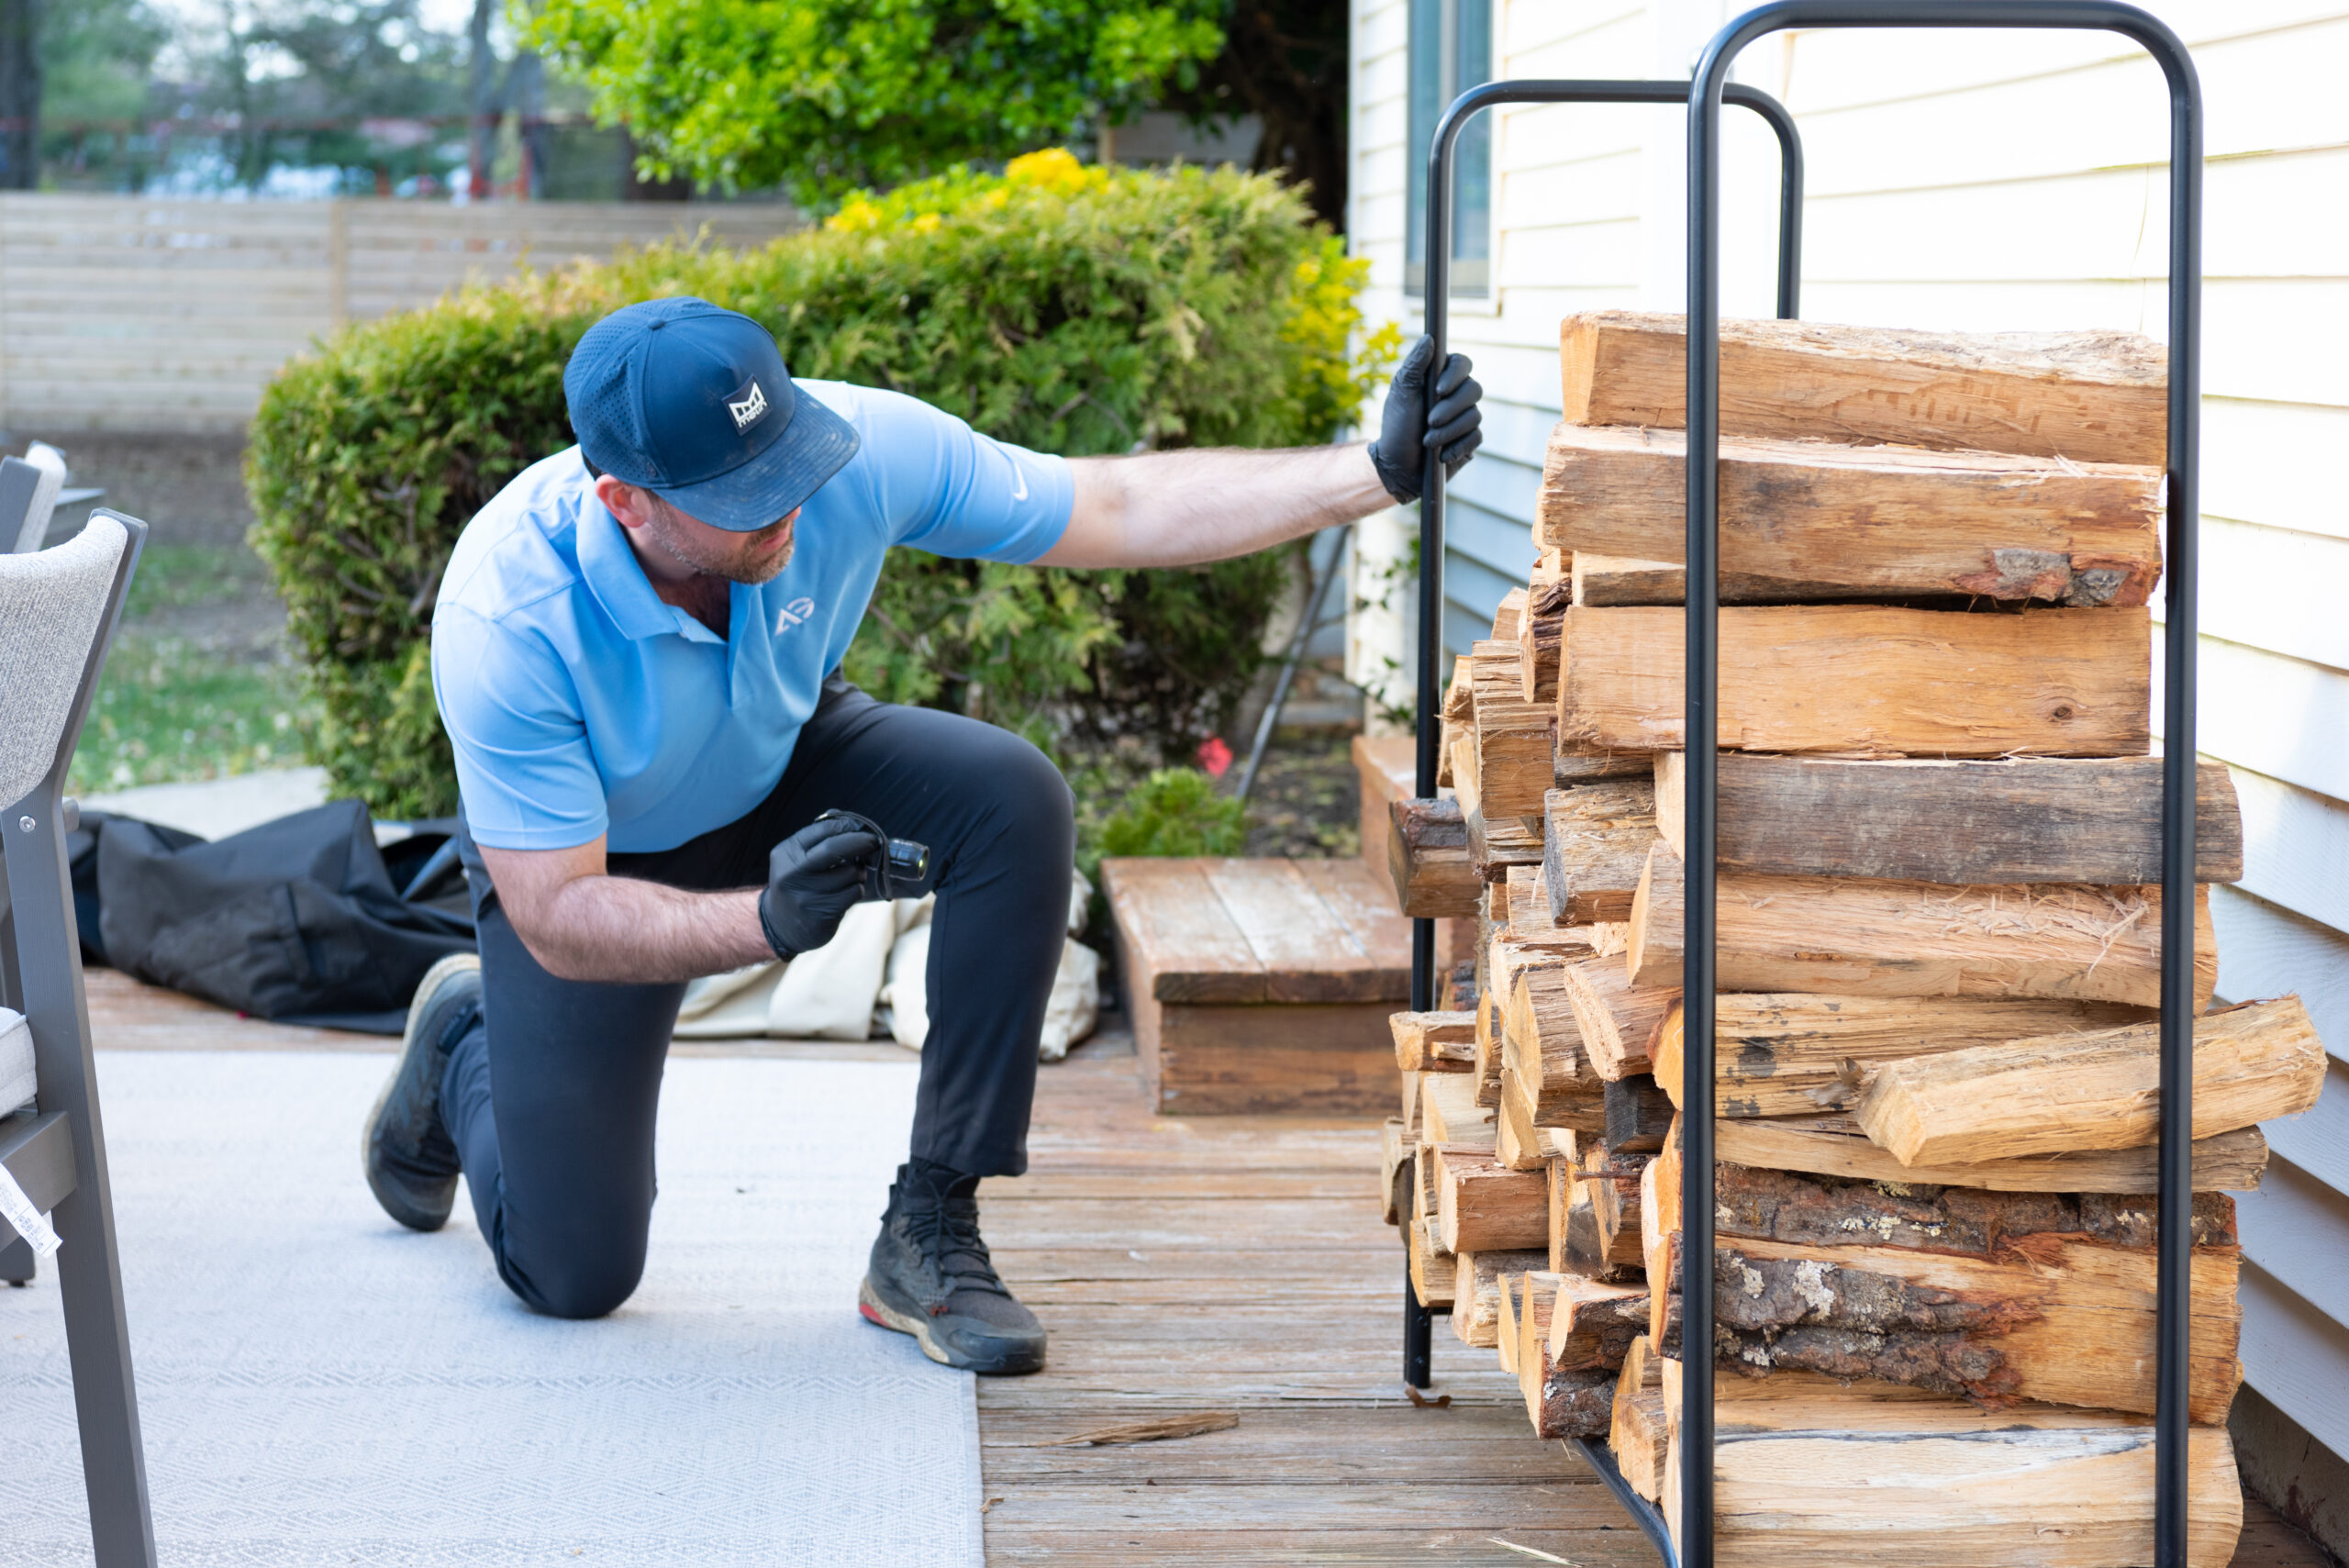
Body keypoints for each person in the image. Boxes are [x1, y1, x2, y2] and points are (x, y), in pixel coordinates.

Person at [362, 295, 1482, 1374]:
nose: (788, 502)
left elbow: (1112, 507)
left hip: (780, 753)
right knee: (573, 1275)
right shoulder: (508, 611)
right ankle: (466, 1044)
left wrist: (1371, 473)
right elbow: (558, 911)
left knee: (1011, 798)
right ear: (627, 503)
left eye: (787, 458)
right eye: (744, 494)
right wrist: (763, 920)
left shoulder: (850, 449)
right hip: (608, 860)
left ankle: (929, 1223)